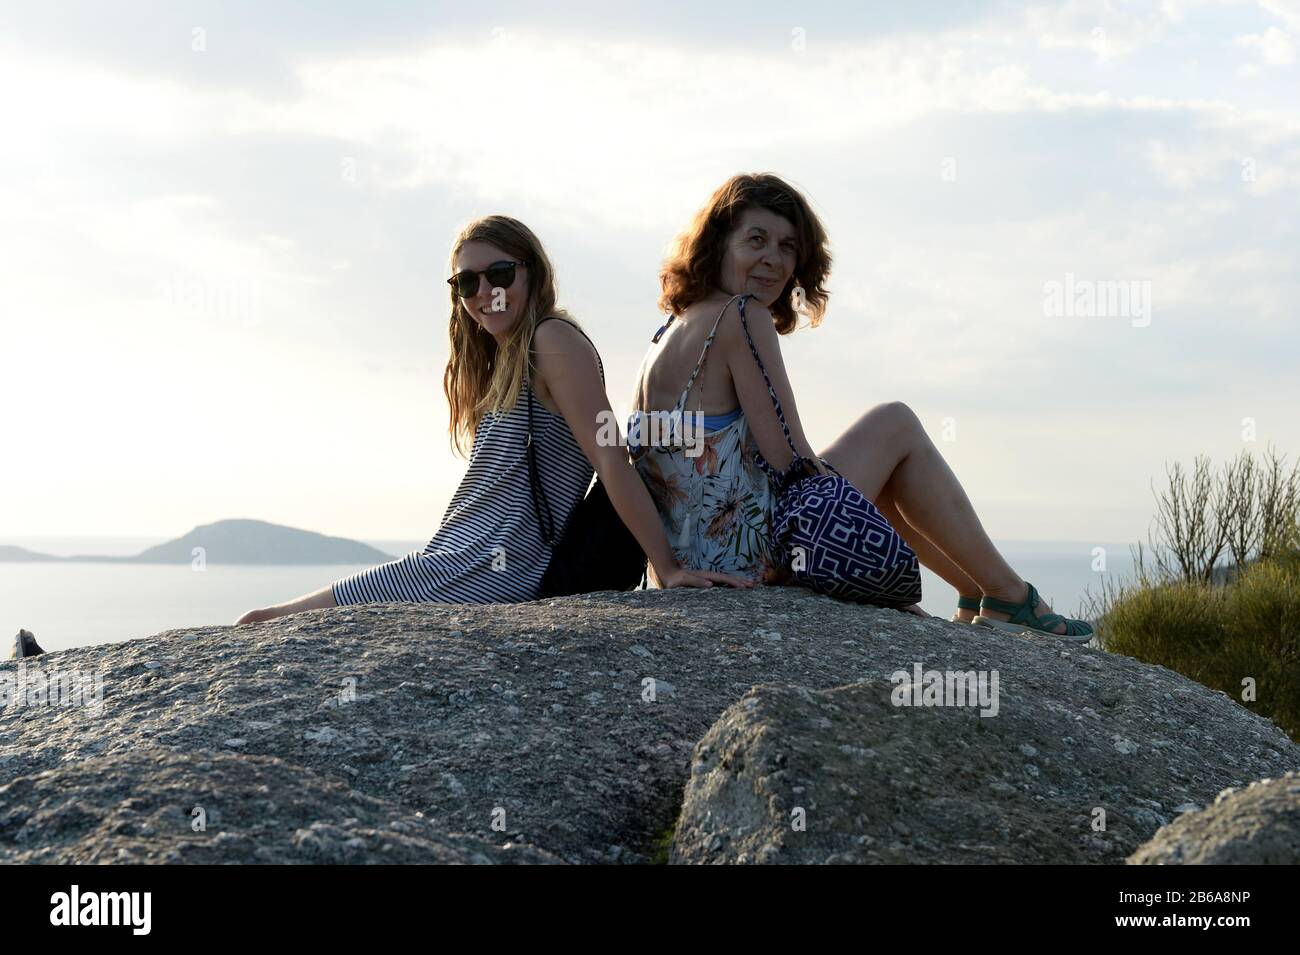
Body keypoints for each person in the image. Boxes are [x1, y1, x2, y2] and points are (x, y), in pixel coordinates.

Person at [630, 173, 1093, 641]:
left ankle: (978, 594)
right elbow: (789, 458)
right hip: (751, 558)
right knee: (895, 424)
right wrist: (882, 582)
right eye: (757, 240)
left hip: (695, 560)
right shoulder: (742, 315)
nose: (773, 259)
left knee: (879, 465)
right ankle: (1009, 595)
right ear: (720, 243)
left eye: (788, 247)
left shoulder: (667, 333)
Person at [236, 215, 750, 625]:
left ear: (532, 274)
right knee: (267, 621)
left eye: (500, 274)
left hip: (497, 566)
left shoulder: (552, 340)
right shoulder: (503, 361)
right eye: (467, 281)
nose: (485, 292)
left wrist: (668, 568)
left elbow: (611, 459)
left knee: (267, 622)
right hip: (458, 554)